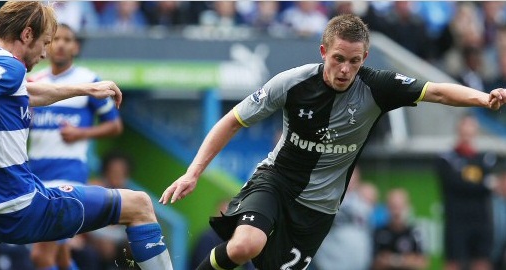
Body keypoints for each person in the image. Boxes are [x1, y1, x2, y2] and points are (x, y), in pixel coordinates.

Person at [160, 13, 506, 270]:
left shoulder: (377, 86)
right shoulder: (292, 82)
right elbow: (232, 120)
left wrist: (482, 98)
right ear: (324, 51)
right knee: (244, 246)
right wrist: (193, 173)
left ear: (365, 59)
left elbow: (438, 92)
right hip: (276, 183)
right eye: (338, 59)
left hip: (319, 208)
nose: (344, 69)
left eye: (354, 62)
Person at [0, 2, 172, 270]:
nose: (45, 53)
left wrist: (85, 89)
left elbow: (25, 93)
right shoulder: (9, 66)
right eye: (45, 42)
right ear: (26, 35)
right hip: (17, 207)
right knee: (139, 205)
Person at [27, 23, 123, 270]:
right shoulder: (34, 82)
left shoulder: (88, 81)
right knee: (60, 256)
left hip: (68, 174)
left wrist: (82, 133)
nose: (60, 44)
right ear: (47, 45)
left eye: (67, 39)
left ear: (75, 47)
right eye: (55, 39)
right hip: (35, 175)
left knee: (40, 255)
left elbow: (115, 126)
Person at [435, 114, 495, 270]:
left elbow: (491, 184)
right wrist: (480, 184)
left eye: (472, 127)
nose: (468, 131)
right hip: (456, 220)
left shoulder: (485, 158)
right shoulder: (446, 158)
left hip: (481, 220)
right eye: (465, 126)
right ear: (458, 129)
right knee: (453, 262)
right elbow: (453, 183)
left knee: (481, 262)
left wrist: (470, 182)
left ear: (476, 131)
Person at [372, 188, 428, 270]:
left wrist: (393, 260)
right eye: (393, 207)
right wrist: (408, 259)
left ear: (408, 207)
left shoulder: (416, 232)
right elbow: (375, 263)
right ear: (386, 208)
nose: (396, 212)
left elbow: (422, 263)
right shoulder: (378, 233)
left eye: (400, 207)